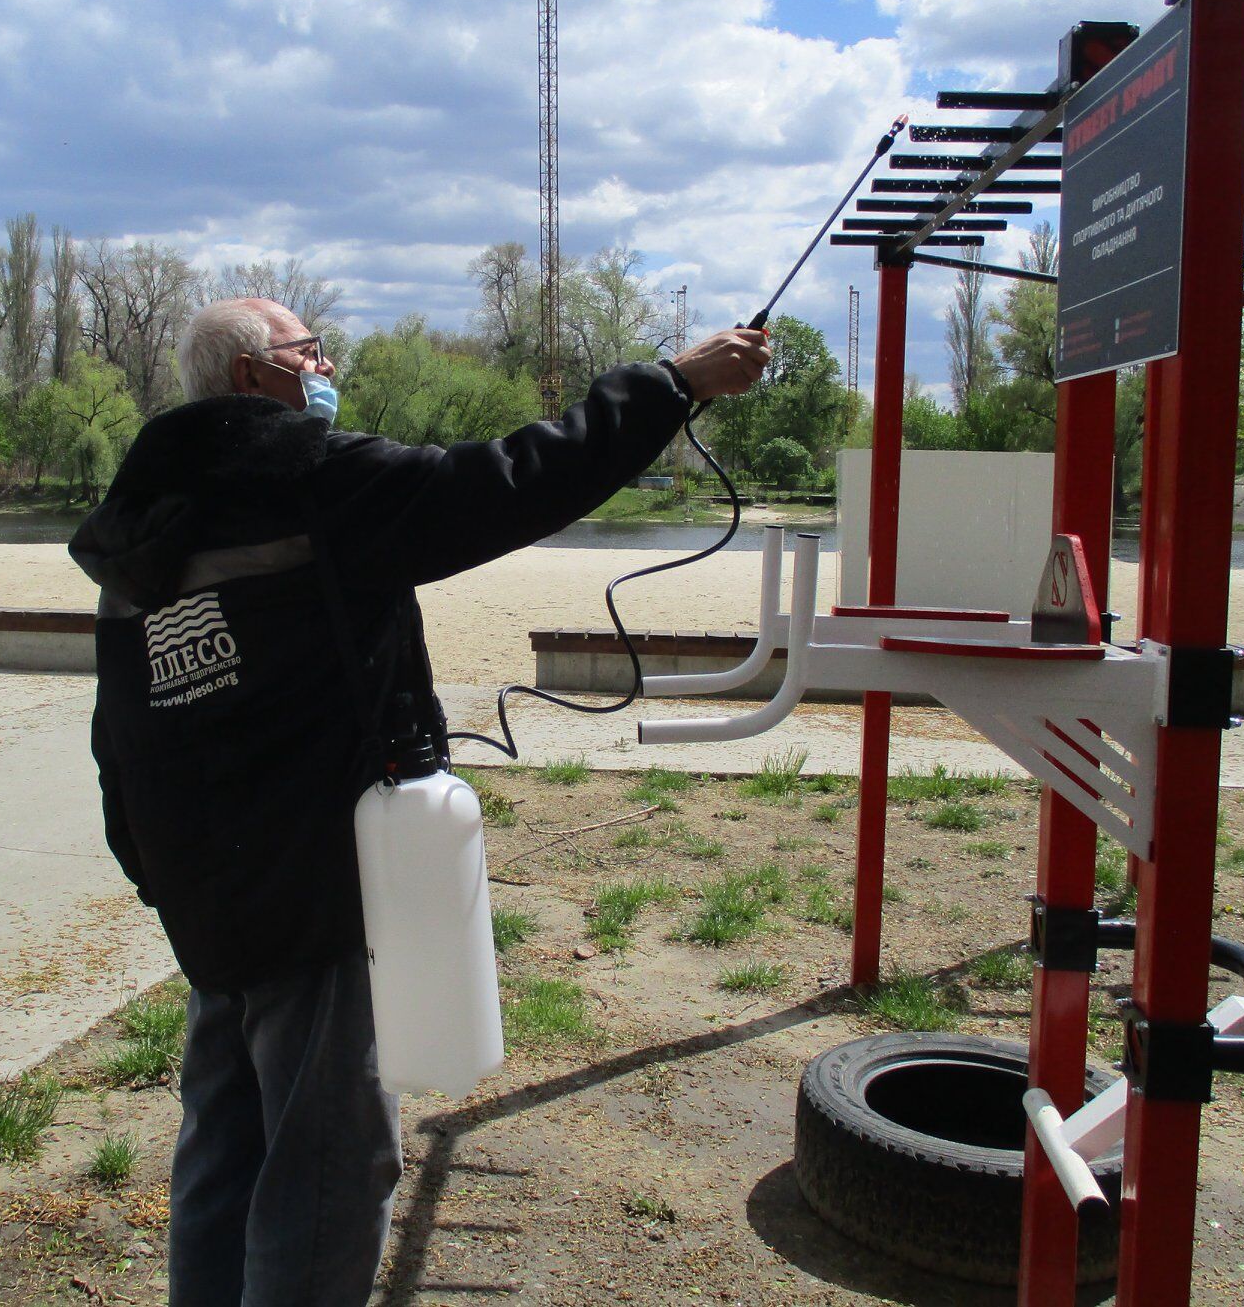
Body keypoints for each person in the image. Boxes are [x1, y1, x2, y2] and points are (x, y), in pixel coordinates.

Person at [70, 297, 770, 1306]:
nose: (326, 364)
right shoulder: (302, 475)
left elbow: (120, 728)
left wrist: (154, 871)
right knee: (327, 1161)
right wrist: (673, 385)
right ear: (250, 379)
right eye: (309, 350)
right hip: (314, 876)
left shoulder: (139, 521)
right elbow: (503, 483)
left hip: (204, 889)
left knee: (226, 1141)